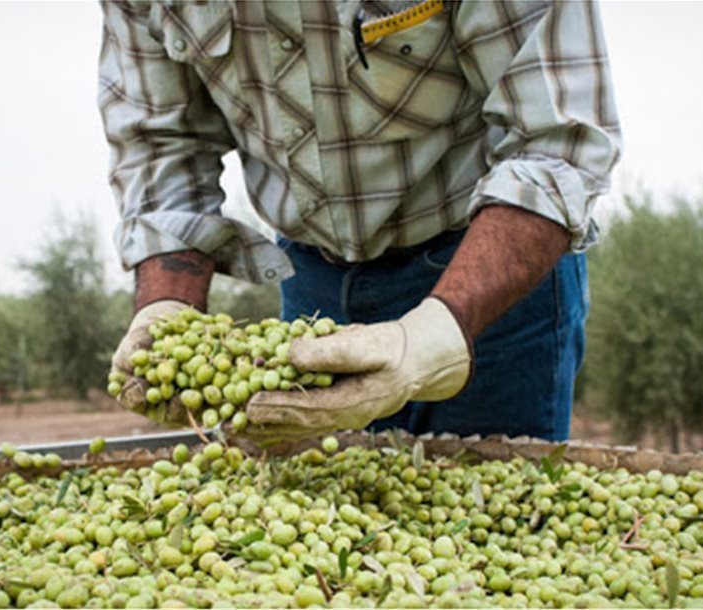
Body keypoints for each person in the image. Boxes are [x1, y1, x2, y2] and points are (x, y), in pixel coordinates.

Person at [100, 0, 621, 442]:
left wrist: (432, 339)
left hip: (489, 283)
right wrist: (168, 309)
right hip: (312, 284)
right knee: (328, 531)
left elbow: (556, 143)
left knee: (503, 528)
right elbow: (163, 144)